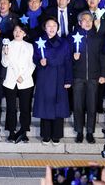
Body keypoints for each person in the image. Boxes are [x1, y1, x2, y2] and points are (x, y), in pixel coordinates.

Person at [32, 17, 73, 145]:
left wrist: (68, 79)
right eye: (49, 26)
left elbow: (68, 62)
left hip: (60, 76)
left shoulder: (64, 43)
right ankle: (45, 135)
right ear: (45, 27)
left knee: (58, 106)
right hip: (45, 76)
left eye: (54, 25)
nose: (51, 28)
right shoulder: (39, 41)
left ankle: (56, 135)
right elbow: (34, 57)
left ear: (57, 28)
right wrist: (39, 61)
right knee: (45, 106)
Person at [71, 11, 105, 144]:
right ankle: (79, 131)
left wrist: (103, 74)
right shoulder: (73, 37)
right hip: (78, 76)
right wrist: (73, 58)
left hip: (94, 76)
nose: (87, 22)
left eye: (89, 20)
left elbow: (103, 57)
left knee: (92, 105)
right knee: (78, 106)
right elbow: (67, 58)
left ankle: (90, 132)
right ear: (80, 23)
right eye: (84, 20)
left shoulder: (98, 38)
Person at [1, 23, 35, 143]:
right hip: (10, 81)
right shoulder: (7, 44)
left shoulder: (30, 46)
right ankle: (11, 131)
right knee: (11, 107)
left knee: (25, 107)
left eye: (20, 31)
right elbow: (4, 63)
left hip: (25, 81)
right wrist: (5, 53)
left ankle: (24, 131)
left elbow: (32, 64)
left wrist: (24, 76)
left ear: (24, 33)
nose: (17, 33)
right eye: (15, 30)